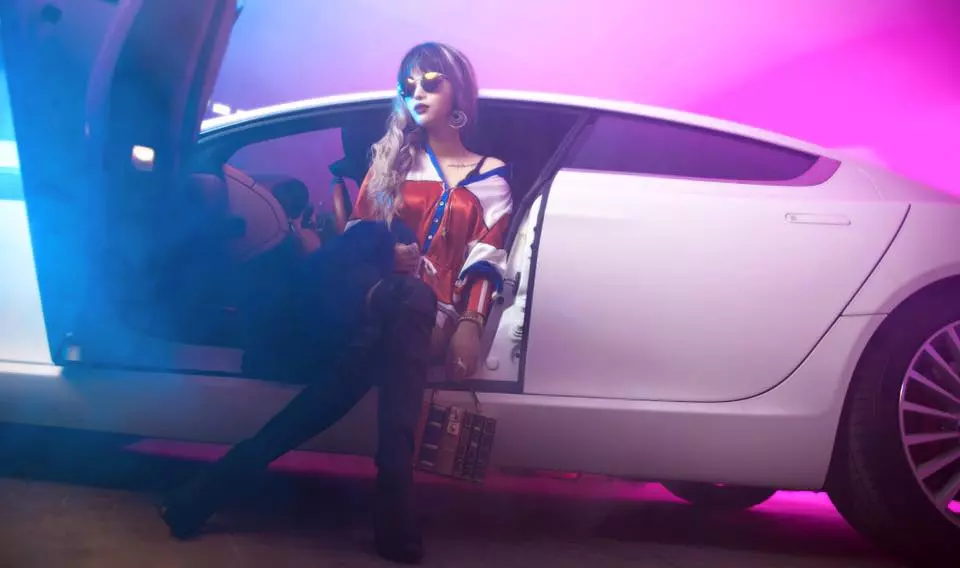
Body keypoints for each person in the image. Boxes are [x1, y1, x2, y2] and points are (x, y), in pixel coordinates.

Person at [157, 41, 511, 566]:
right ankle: (394, 495)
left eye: (431, 83)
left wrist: (471, 322)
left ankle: (219, 482)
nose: (417, 94)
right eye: (408, 86)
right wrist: (387, 254)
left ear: (459, 92)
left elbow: (486, 255)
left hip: (433, 312)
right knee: (393, 309)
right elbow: (356, 244)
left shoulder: (490, 174)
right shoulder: (390, 164)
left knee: (392, 324)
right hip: (373, 298)